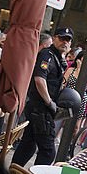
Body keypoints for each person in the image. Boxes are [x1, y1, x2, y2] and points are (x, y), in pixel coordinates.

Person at [11, 27, 72, 166]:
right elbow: (39, 79)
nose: (65, 42)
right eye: (62, 38)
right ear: (55, 38)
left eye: (68, 40)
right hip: (41, 109)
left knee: (28, 144)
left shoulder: (57, 57)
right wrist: (49, 102)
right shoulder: (47, 55)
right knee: (48, 151)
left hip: (39, 108)